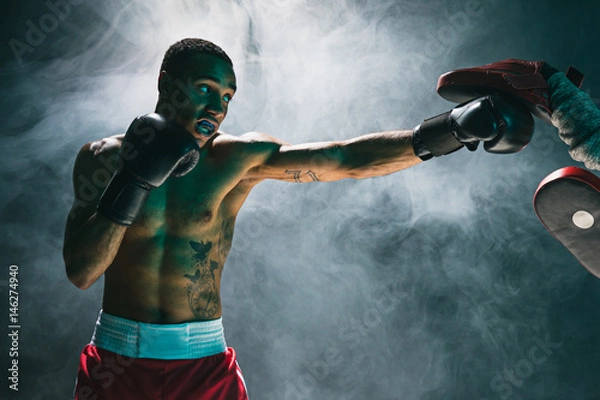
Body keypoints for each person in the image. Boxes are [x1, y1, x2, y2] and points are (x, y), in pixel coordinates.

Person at [63, 38, 585, 399]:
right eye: (204, 89)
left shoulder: (237, 160)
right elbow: (82, 271)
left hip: (203, 368)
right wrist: (133, 180)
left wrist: (451, 131)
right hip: (114, 366)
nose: (217, 107)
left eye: (226, 97)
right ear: (165, 81)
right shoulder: (102, 159)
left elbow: (341, 158)